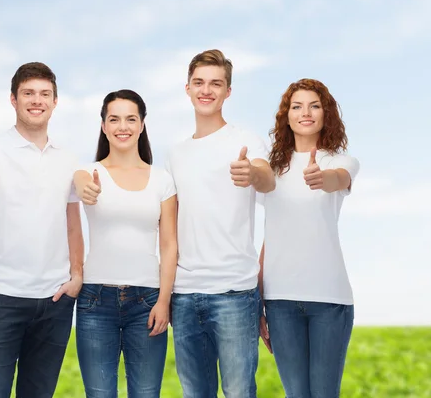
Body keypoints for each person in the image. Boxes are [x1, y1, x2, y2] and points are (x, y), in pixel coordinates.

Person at [0, 62, 84, 398]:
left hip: (55, 299)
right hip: (2, 296)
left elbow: (72, 221)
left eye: (45, 94)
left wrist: (77, 275)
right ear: (13, 99)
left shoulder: (67, 158)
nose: (37, 100)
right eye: (28, 93)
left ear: (55, 102)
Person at [165, 49, 275, 398]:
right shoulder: (175, 154)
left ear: (228, 91)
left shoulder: (245, 140)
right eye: (199, 82)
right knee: (195, 393)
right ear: (187, 89)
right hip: (184, 295)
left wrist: (252, 173)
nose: (206, 90)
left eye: (216, 83)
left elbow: (268, 179)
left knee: (239, 392)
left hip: (234, 292)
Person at [259, 78, 359, 398]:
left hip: (330, 300)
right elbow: (270, 236)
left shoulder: (340, 161)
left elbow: (337, 180)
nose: (306, 112)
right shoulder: (271, 170)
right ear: (285, 116)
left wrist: (320, 178)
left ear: (325, 114)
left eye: (314, 106)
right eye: (297, 106)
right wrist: (258, 301)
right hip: (280, 302)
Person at [74, 89, 178, 398]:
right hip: (95, 300)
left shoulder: (162, 179)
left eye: (131, 119)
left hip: (147, 302)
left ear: (142, 124)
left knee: (146, 393)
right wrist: (83, 186)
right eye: (114, 119)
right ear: (103, 126)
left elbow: (170, 245)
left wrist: (164, 300)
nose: (123, 126)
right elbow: (78, 182)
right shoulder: (88, 173)